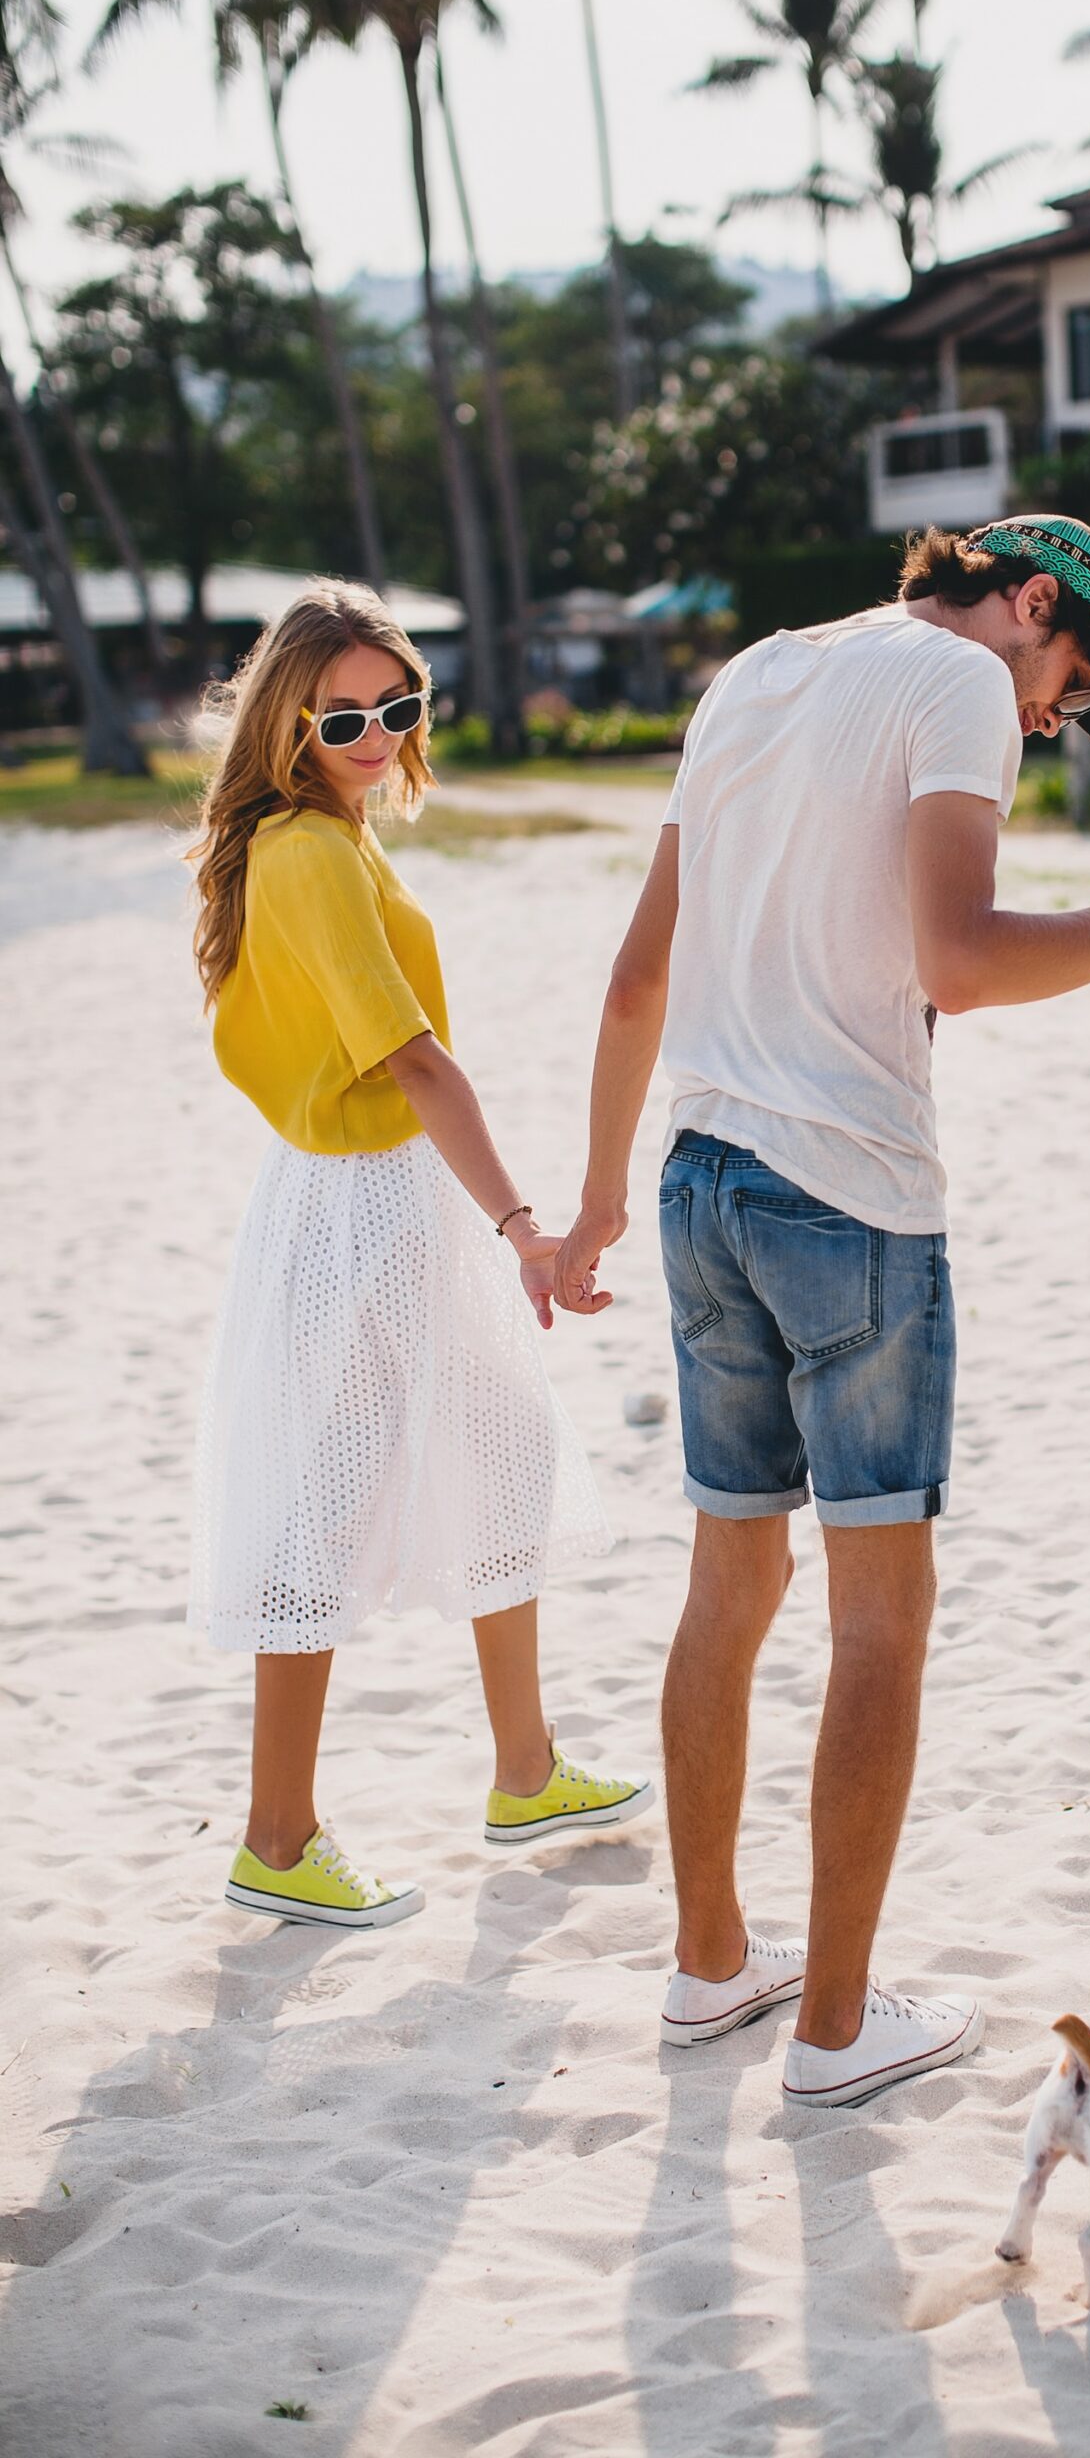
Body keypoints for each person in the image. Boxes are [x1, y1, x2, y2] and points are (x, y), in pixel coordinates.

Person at [554, 516, 1090, 2104]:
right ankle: (833, 2032)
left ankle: (708, 1967)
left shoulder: (751, 675)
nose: (1045, 719)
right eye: (1066, 684)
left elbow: (634, 978)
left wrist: (601, 1194)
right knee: (881, 1613)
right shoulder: (953, 686)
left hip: (698, 1180)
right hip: (847, 1198)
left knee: (728, 1583)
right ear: (1027, 607)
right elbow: (964, 958)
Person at [187, 579, 652, 1931]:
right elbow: (413, 1061)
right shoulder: (309, 852)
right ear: (289, 719)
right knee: (319, 1503)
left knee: (501, 1452)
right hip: (363, 1201)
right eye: (350, 716)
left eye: (403, 705)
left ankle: (524, 1769)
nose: (382, 734)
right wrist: (527, 1228)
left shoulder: (315, 835)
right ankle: (278, 1835)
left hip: (382, 1191)